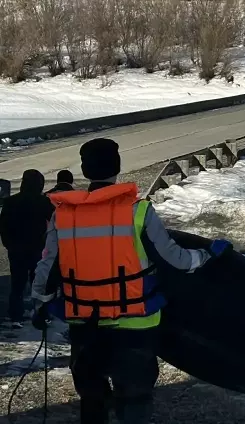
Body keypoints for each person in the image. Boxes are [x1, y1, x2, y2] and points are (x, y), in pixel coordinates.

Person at [31, 138, 232, 424]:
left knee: (92, 397)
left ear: (85, 170)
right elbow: (176, 261)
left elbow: (46, 267)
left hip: (84, 324)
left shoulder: (63, 216)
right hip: (136, 324)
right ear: (117, 168)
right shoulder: (138, 212)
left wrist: (40, 303)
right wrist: (207, 255)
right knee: (135, 398)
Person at [0, 170, 54, 327]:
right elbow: (55, 220)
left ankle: (15, 315)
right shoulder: (42, 201)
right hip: (38, 248)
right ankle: (41, 314)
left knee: (17, 284)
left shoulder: (11, 202)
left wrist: (9, 244)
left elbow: (3, 226)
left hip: (16, 249)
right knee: (39, 284)